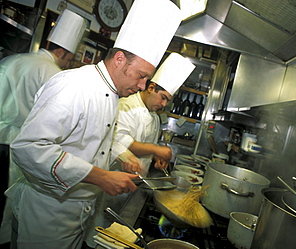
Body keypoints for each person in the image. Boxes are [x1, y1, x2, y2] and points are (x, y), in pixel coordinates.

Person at [7, 0, 182, 248]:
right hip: (47, 215)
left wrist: (122, 154)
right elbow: (29, 148)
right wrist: (100, 177)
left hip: (76, 212)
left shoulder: (111, 93)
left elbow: (94, 139)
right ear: (120, 59)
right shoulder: (75, 85)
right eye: (142, 76)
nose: (143, 85)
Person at [0, 9, 86, 245]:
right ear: (61, 51)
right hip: (16, 148)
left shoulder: (11, 60)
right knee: (7, 207)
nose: (69, 63)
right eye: (69, 58)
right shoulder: (54, 75)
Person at [112, 53, 195, 176]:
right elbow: (121, 143)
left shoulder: (155, 117)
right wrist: (156, 149)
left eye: (167, 100)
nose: (164, 104)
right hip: (118, 179)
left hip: (138, 179)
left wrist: (156, 157)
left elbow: (146, 146)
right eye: (163, 97)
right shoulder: (126, 106)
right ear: (151, 87)